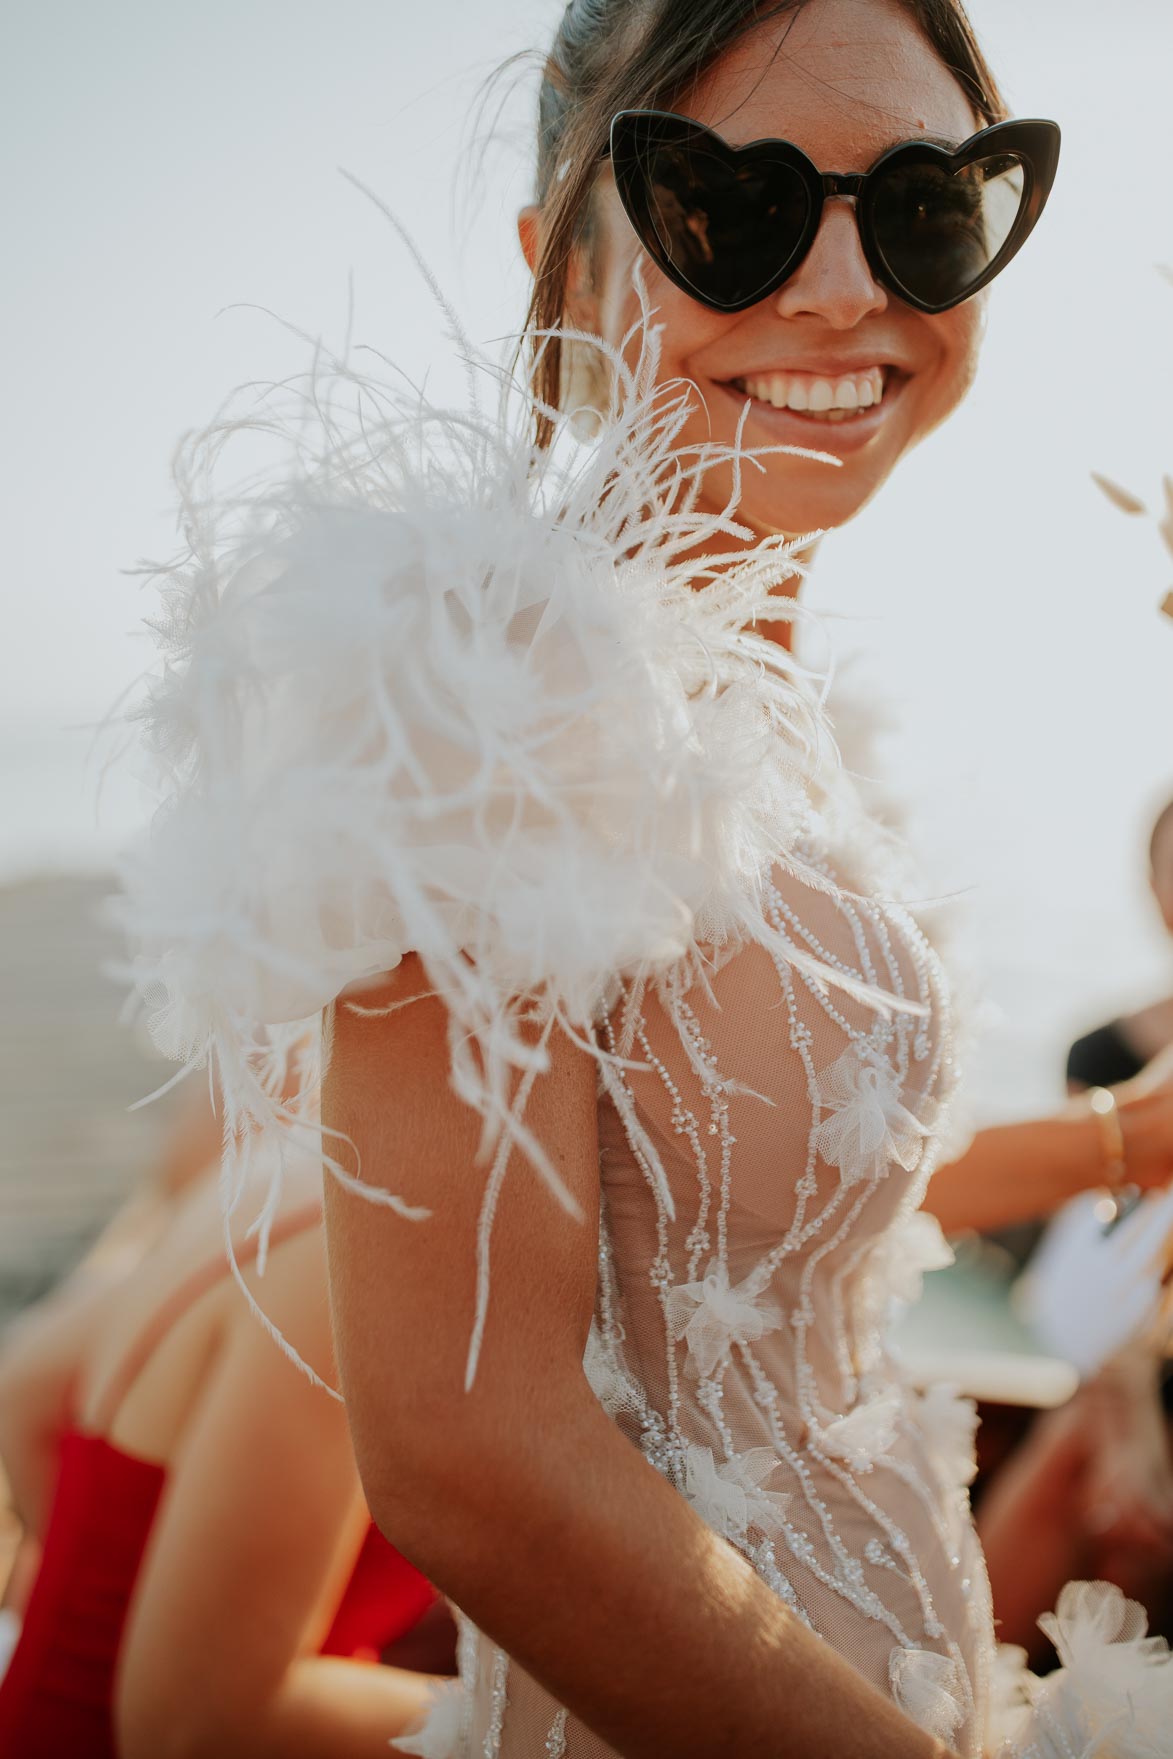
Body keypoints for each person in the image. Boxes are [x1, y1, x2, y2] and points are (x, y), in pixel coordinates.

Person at [113, 0, 1173, 1754]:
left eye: (921, 204)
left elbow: (719, 1218)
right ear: (561, 263)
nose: (842, 289)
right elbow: (464, 1449)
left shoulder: (752, 688)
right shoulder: (488, 677)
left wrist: (1121, 1140)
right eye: (729, 205)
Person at [0, 1142, 445, 1757]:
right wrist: (546, 1717)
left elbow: (30, 1389)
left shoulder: (278, 1170)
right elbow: (199, 1727)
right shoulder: (355, 1264)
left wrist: (126, 1597)